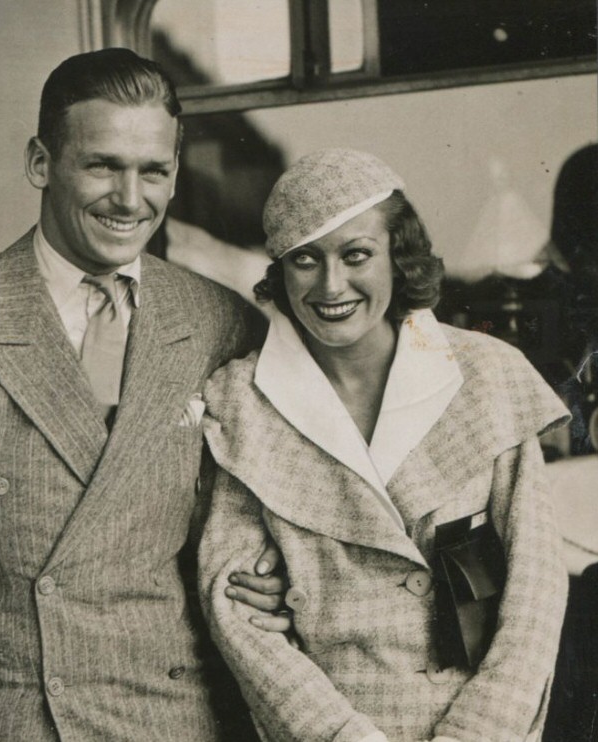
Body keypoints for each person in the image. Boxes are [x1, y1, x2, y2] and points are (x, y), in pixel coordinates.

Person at [0, 48, 283, 742]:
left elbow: (253, 526)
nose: (130, 200)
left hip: (166, 715)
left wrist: (269, 575)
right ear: (41, 163)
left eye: (153, 171)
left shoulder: (222, 324)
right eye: (102, 165)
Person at [198, 148, 570, 741]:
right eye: (304, 260)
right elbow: (239, 614)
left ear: (399, 259)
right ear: (278, 271)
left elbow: (538, 588)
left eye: (357, 255)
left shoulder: (487, 375)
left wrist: (475, 734)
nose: (331, 285)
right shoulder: (242, 403)